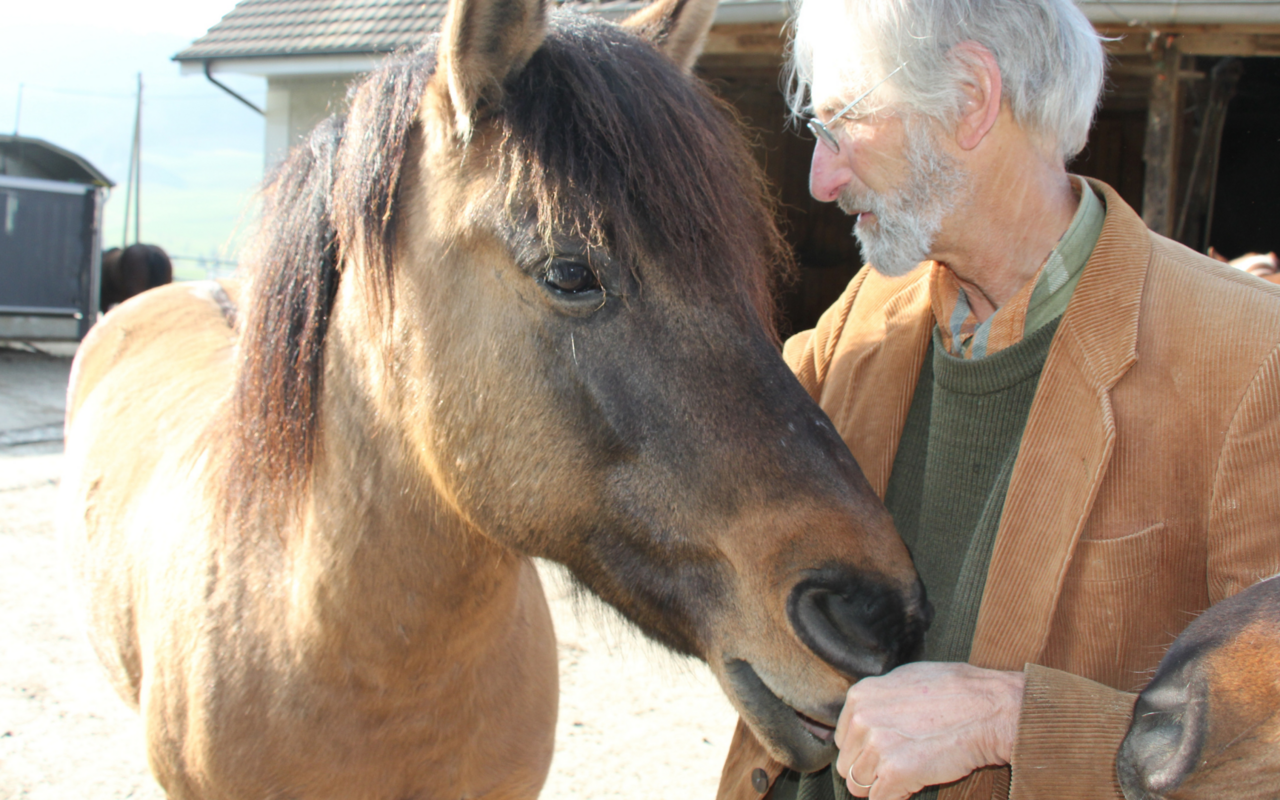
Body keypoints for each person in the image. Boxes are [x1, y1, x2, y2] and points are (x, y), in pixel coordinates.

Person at [716, 1, 1280, 799]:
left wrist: (1009, 721)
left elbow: (1269, 736)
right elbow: (696, 444)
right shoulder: (865, 316)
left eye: (842, 123)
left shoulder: (1253, 356)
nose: (821, 178)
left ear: (973, 97)